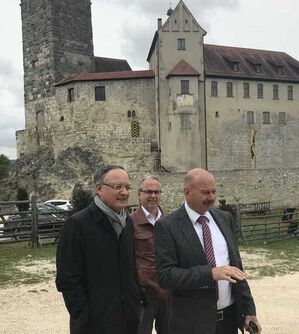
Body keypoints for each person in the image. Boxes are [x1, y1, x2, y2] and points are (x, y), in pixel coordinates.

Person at [155, 168, 262, 334]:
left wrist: (249, 310)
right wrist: (209, 274)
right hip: (191, 324)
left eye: (214, 192)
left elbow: (236, 268)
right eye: (205, 192)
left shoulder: (224, 218)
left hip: (228, 320)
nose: (211, 197)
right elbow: (165, 276)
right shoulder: (167, 226)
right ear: (187, 192)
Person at [56, 165, 144, 334]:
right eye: (118, 187)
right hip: (94, 325)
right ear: (99, 189)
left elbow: (131, 267)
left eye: (127, 187)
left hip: (129, 320)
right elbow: (68, 279)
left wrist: (136, 300)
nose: (125, 192)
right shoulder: (77, 225)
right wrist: (84, 316)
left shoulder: (129, 223)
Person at [130, 176, 169, 334]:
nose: (153, 196)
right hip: (144, 294)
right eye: (148, 192)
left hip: (169, 292)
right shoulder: (130, 223)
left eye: (156, 192)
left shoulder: (171, 221)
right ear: (139, 194)